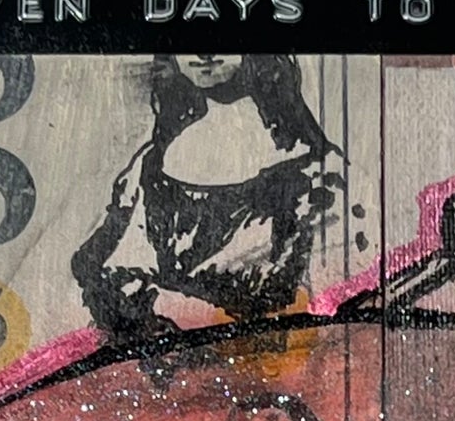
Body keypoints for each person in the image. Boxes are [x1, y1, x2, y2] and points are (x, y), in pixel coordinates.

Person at [72, 53, 345, 340]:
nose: (205, 53)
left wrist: (169, 305)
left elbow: (312, 301)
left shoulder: (318, 175)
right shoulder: (147, 166)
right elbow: (92, 266)